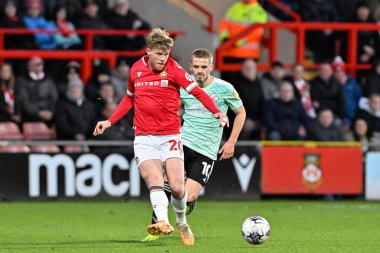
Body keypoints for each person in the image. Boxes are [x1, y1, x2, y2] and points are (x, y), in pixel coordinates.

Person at [93, 29, 228, 246]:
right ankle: (163, 222)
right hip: (144, 137)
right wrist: (110, 121)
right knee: (154, 180)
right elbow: (129, 99)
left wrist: (217, 111)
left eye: (166, 54)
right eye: (159, 54)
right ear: (149, 52)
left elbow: (198, 92)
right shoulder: (136, 69)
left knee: (177, 187)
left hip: (170, 136)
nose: (163, 58)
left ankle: (182, 223)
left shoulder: (174, 69)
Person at [142, 48, 246, 242]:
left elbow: (240, 113)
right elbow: (173, 105)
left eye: (204, 67)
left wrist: (231, 142)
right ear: (190, 66)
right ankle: (156, 227)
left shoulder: (224, 88)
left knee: (187, 196)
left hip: (206, 151)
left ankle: (188, 205)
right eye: (196, 66)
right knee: (166, 184)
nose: (199, 70)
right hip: (182, 142)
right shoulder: (184, 86)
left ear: (211, 67)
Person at [18, 56, 58, 124]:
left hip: (48, 112)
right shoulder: (23, 81)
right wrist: (38, 112)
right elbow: (24, 100)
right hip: (31, 114)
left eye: (40, 65)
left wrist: (50, 111)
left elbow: (54, 98)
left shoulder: (48, 80)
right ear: (29, 67)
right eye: (35, 65)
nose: (38, 67)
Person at [233, 59, 264, 140]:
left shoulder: (259, 84)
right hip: (242, 119)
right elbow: (234, 105)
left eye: (252, 68)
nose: (249, 70)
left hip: (258, 119)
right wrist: (245, 119)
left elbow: (263, 104)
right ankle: (241, 151)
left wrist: (259, 119)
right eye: (247, 68)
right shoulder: (236, 85)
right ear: (242, 70)